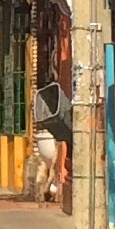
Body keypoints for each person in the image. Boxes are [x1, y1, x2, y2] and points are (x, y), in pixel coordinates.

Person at [31, 73, 68, 204]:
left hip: (54, 140)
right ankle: (48, 190)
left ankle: (50, 190)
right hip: (53, 139)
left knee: (51, 166)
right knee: (51, 166)